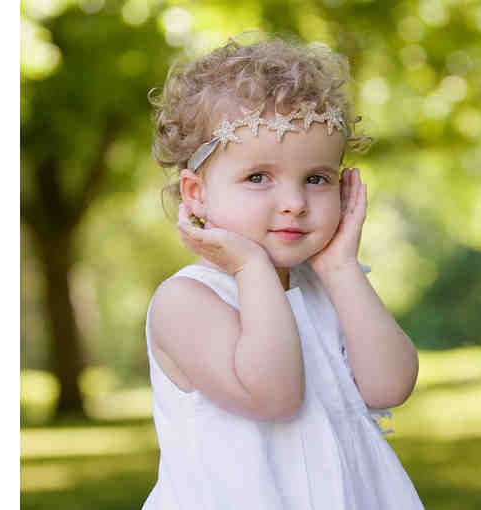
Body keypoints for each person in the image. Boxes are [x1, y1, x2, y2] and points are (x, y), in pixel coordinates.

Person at [142, 34, 425, 509]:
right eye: (258, 177)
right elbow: (274, 397)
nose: (294, 202)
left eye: (316, 179)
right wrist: (251, 268)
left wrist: (341, 266)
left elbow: (390, 386)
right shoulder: (186, 302)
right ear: (197, 194)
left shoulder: (329, 287)